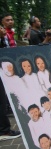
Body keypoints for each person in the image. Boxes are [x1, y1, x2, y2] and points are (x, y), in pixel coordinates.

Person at [0, 13, 21, 141]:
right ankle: (4, 130)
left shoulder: (9, 34)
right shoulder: (3, 35)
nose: (10, 22)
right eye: (7, 20)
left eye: (12, 19)